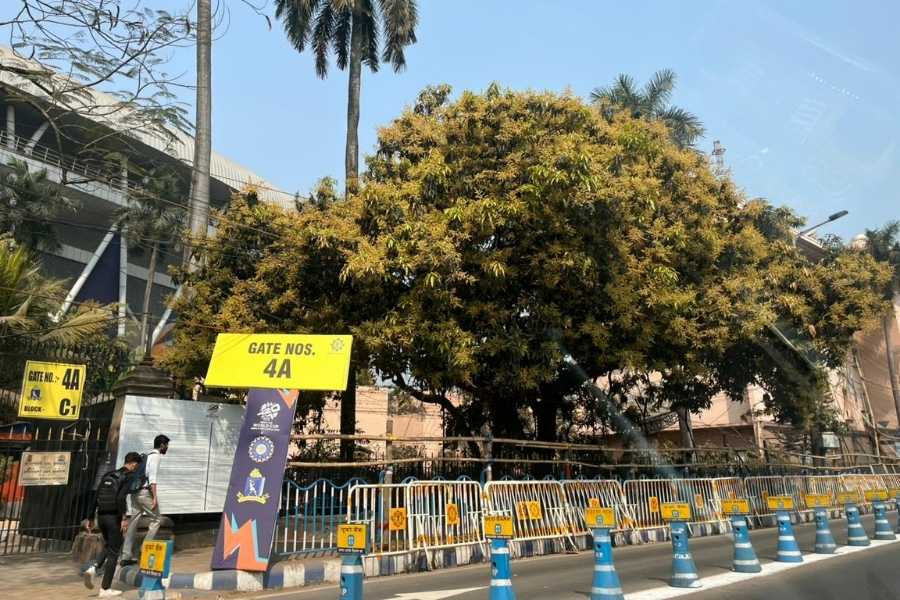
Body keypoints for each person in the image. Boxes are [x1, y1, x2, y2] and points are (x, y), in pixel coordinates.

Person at [83, 451, 142, 597]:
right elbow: (121, 497)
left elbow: (96, 496)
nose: (136, 468)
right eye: (137, 465)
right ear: (133, 464)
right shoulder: (127, 476)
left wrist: (89, 518)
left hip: (101, 517)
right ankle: (105, 589)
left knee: (110, 544)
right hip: (113, 517)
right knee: (114, 552)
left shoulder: (108, 475)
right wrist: (124, 517)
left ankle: (94, 567)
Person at [120, 434, 169, 565]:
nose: (167, 448)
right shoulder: (156, 457)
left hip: (135, 493)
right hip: (144, 492)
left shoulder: (146, 456)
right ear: (162, 445)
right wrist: (154, 497)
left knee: (133, 522)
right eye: (167, 446)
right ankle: (144, 549)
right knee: (157, 519)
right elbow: (152, 478)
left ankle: (126, 555)